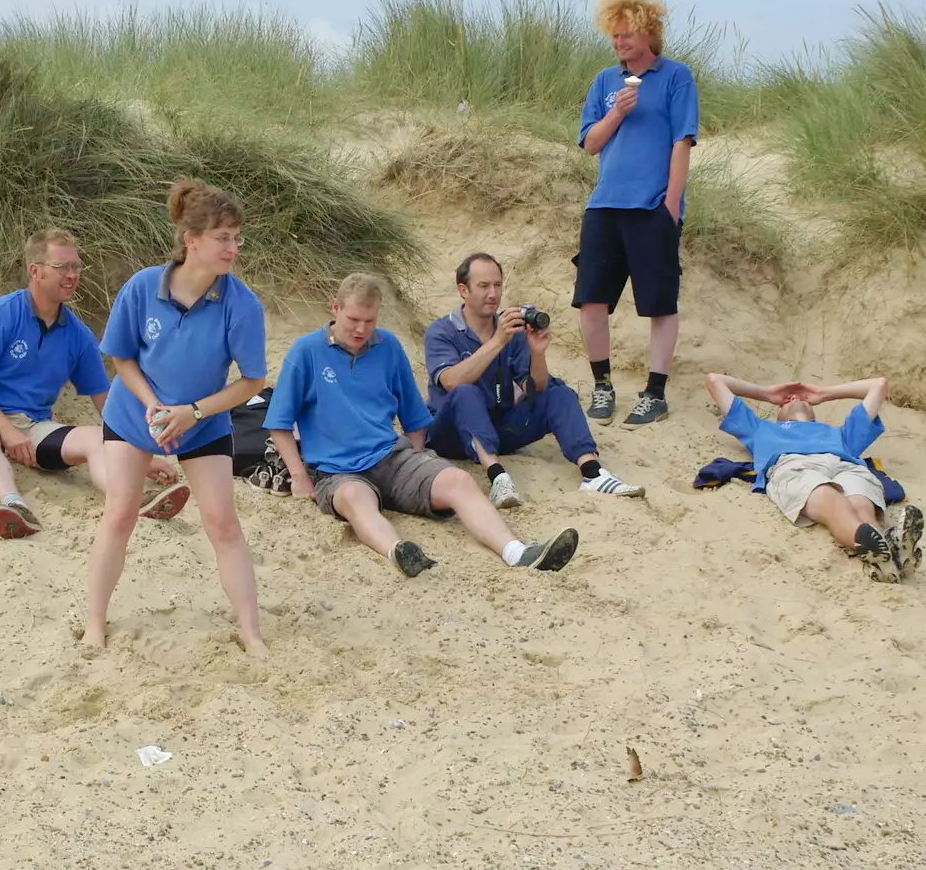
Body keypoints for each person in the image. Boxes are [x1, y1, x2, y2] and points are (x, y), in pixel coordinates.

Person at [265, 273, 580, 578]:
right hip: (337, 471)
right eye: (353, 320)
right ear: (335, 308)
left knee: (457, 480)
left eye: (370, 321)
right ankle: (400, 552)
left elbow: (414, 417)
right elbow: (279, 422)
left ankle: (517, 552)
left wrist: (418, 459)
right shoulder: (305, 352)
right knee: (355, 500)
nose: (361, 329)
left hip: (391, 457)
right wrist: (298, 476)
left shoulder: (388, 346)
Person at [84, 179, 269, 655]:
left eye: (236, 237)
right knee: (121, 512)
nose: (233, 247)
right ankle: (94, 623)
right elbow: (121, 357)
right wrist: (150, 402)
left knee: (222, 522)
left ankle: (250, 631)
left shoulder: (241, 304)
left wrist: (193, 412)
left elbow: (251, 382)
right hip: (133, 416)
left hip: (203, 422)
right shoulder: (143, 287)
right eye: (222, 237)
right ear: (192, 241)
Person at [0, 228, 189, 539]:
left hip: (31, 426)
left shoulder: (78, 335)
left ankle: (130, 499)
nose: (73, 275)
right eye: (63, 267)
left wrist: (141, 454)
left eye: (76, 267)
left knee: (95, 437)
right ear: (35, 271)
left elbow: (107, 402)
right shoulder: (0, 315)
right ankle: (13, 505)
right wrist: (5, 429)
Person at [424, 253, 645, 507]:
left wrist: (537, 354)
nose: (493, 294)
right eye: (483, 286)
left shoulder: (512, 330)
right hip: (452, 434)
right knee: (465, 393)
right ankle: (498, 477)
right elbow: (451, 381)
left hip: (501, 426)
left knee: (558, 392)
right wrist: (497, 341)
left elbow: (534, 388)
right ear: (463, 290)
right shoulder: (442, 331)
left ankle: (592, 472)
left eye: (497, 285)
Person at [574, 0, 700, 428]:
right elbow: (590, 144)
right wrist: (616, 115)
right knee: (591, 299)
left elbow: (682, 141)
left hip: (652, 207)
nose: (619, 43)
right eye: (614, 36)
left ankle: (655, 393)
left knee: (660, 303)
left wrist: (671, 204)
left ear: (648, 32)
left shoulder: (676, 77)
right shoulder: (606, 81)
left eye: (626, 35)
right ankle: (602, 386)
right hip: (605, 203)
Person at [704, 371, 923, 582]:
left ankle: (888, 553)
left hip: (845, 465)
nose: (796, 398)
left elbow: (879, 385)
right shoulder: (760, 429)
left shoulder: (840, 434)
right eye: (787, 400)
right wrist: (767, 394)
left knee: (861, 503)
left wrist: (823, 393)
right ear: (778, 414)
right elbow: (715, 381)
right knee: (828, 497)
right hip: (794, 465)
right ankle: (886, 549)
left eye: (802, 398)